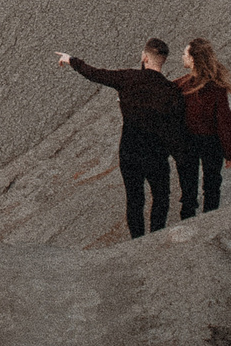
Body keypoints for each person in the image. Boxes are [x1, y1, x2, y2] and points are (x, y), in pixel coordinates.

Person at [56, 38, 185, 240]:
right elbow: (175, 128)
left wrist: (71, 60)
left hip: (130, 150)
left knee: (134, 199)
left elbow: (96, 74)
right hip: (157, 154)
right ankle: (155, 239)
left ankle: (137, 241)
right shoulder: (170, 90)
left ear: (144, 57)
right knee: (160, 197)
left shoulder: (129, 78)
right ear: (163, 61)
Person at [172, 38, 231, 218]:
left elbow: (224, 120)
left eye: (185, 54)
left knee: (189, 187)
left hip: (190, 142)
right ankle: (210, 220)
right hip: (211, 142)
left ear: (193, 59)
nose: (182, 57)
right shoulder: (215, 87)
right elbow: (224, 121)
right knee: (212, 185)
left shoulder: (182, 86)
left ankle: (188, 222)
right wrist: (230, 152)